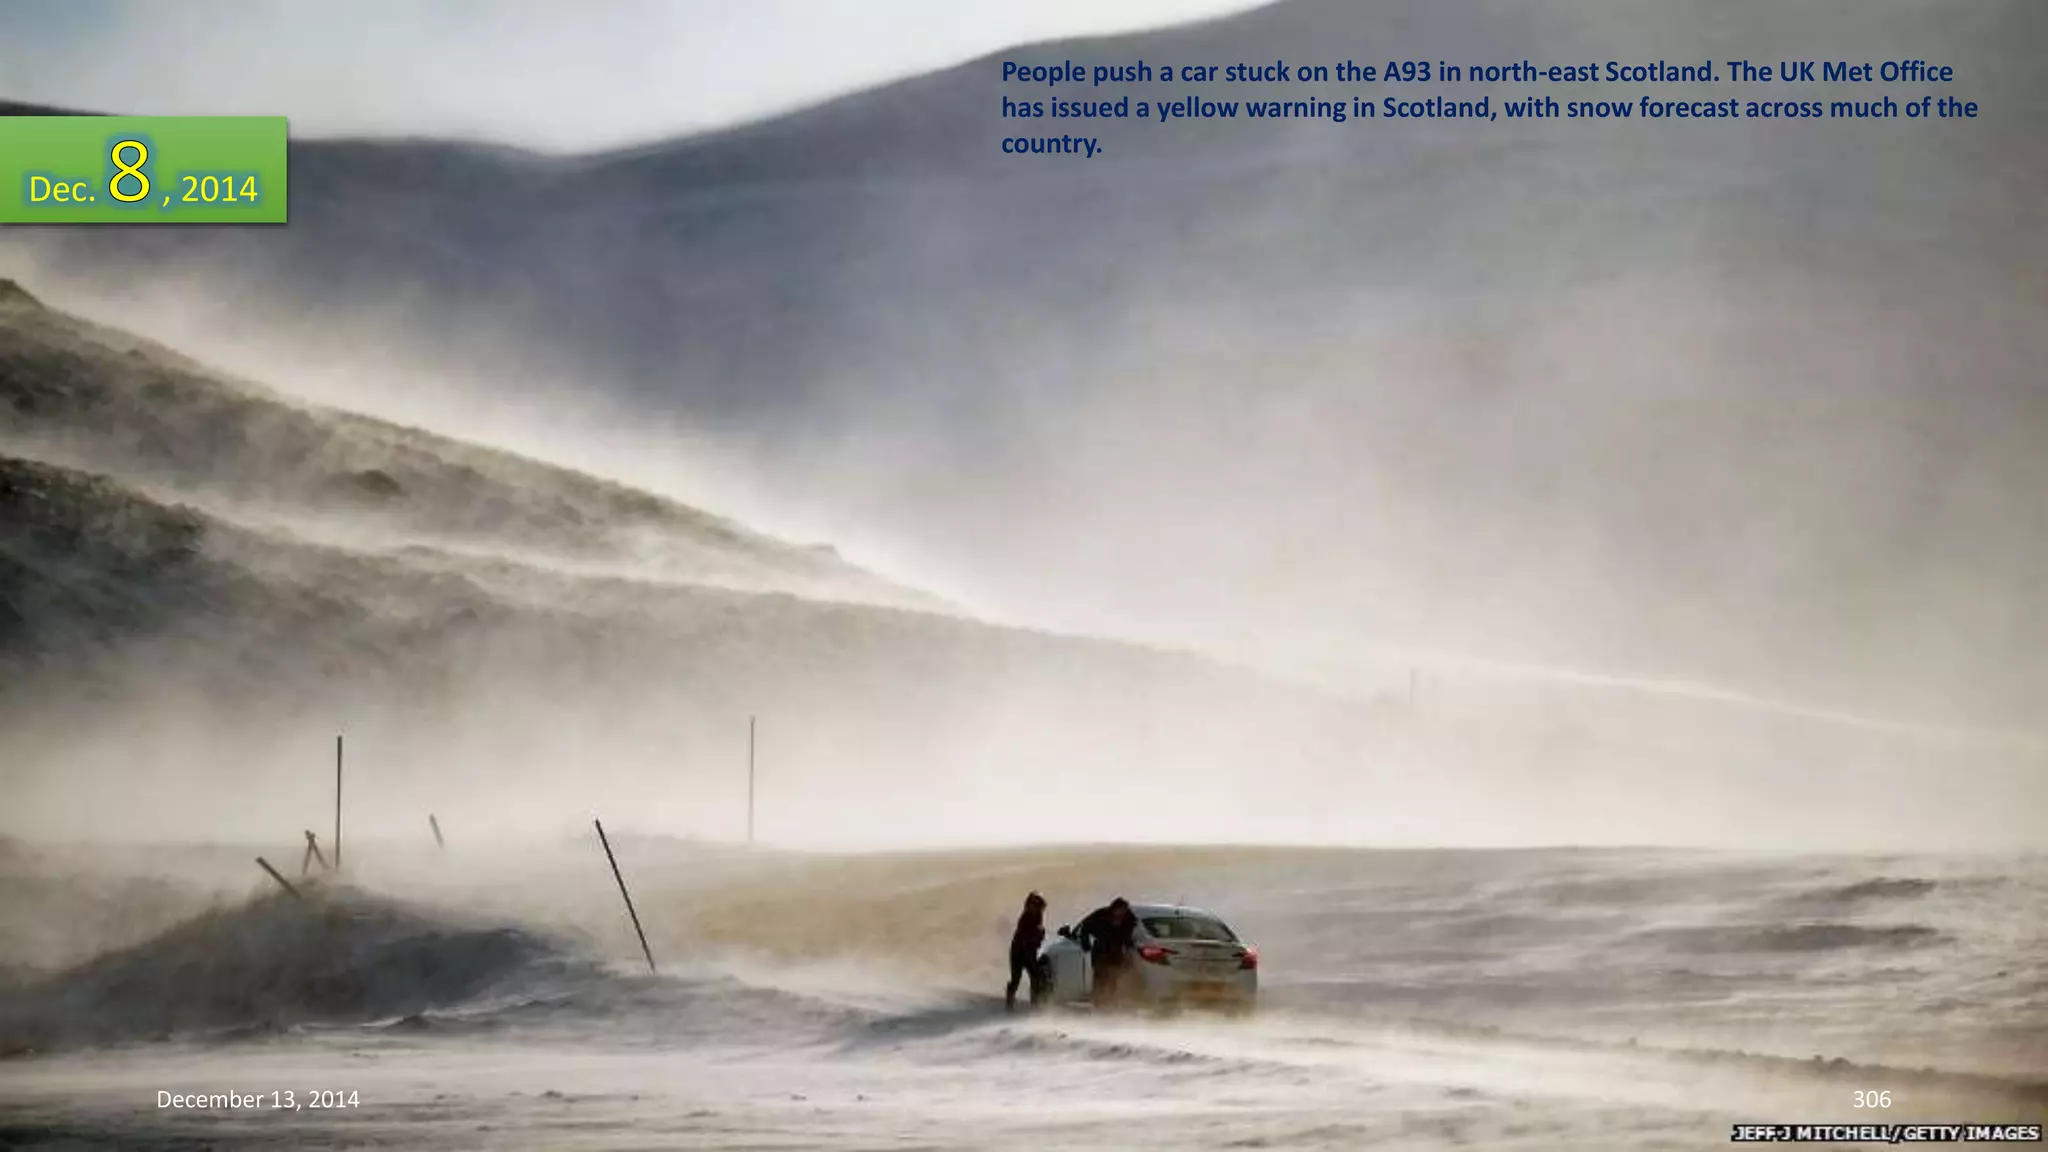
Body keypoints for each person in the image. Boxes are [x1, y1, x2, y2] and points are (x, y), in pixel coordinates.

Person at [1076, 896, 1139, 1009]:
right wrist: (1085, 944)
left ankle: (1110, 1002)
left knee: (1113, 978)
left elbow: (1128, 935)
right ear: (1114, 908)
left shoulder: (1129, 918)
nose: (1121, 913)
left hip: (1116, 951)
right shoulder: (1101, 915)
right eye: (1120, 909)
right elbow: (1085, 927)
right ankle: (1099, 1003)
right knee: (1100, 977)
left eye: (1124, 910)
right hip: (1101, 950)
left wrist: (1130, 947)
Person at [1005, 891, 1048, 1011]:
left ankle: (1034, 1004)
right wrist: (1038, 935)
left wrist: (1040, 934)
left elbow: (1037, 934)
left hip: (1028, 950)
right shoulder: (1025, 918)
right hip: (1019, 952)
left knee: (1035, 978)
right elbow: (1025, 938)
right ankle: (1010, 1004)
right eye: (1038, 907)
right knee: (1016, 979)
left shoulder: (1037, 915)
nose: (1041, 910)